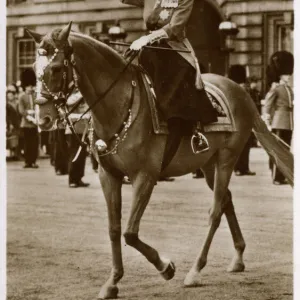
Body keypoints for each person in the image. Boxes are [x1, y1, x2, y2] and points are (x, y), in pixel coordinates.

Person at [122, 0, 218, 153]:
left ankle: (193, 132)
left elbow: (175, 27)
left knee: (174, 104)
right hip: (148, 51)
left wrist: (147, 39)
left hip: (173, 52)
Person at [263, 51, 293, 185]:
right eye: (286, 74)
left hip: (288, 122)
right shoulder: (276, 88)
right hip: (280, 122)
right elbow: (267, 105)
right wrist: (268, 122)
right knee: (278, 150)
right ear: (280, 74)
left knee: (285, 151)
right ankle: (276, 177)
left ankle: (281, 175)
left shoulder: (288, 88)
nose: (289, 76)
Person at [228, 65, 256, 177]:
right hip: (236, 121)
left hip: (246, 121)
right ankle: (237, 168)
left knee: (246, 145)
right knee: (237, 146)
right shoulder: (232, 89)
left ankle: (244, 167)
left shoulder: (244, 89)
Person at [65, 90, 90, 188]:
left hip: (83, 130)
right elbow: (69, 114)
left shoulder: (85, 97)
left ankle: (79, 178)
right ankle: (72, 179)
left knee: (82, 156)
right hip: (73, 130)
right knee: (74, 155)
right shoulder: (72, 98)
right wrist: (83, 116)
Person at [18, 84, 39, 168]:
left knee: (34, 143)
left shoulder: (35, 96)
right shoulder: (22, 96)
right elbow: (21, 110)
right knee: (27, 143)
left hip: (35, 124)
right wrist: (28, 115)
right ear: (25, 86)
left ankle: (33, 161)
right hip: (26, 123)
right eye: (29, 86)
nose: (31, 87)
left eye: (31, 86)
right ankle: (27, 161)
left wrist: (35, 117)